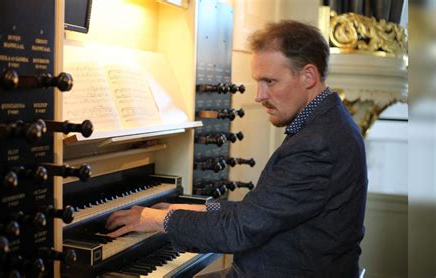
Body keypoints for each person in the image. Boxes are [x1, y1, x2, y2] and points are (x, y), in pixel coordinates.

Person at [105, 20, 368, 278]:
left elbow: (240, 230)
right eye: (258, 82)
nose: (259, 96)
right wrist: (192, 210)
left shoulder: (317, 144)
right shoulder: (326, 121)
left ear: (308, 76)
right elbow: (262, 211)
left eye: (270, 81)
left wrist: (154, 219)